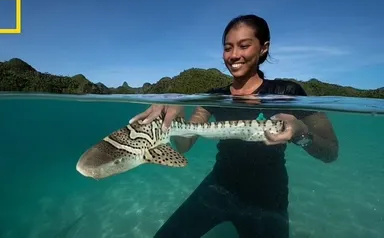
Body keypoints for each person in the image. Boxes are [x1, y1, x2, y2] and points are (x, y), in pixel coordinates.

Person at [129, 14, 339, 238]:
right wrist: (173, 119)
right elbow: (184, 144)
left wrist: (300, 132)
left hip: (268, 198)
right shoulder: (214, 98)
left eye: (244, 45)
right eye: (228, 48)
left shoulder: (288, 94)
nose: (234, 55)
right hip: (219, 187)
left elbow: (331, 152)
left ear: (263, 48)